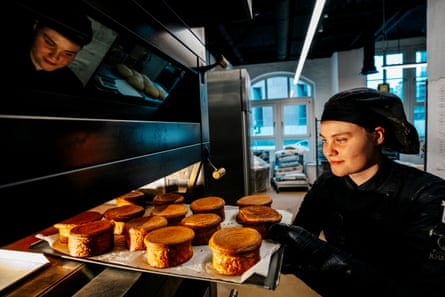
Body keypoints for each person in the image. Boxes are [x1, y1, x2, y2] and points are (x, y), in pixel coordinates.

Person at [269, 87, 445, 297]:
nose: (328, 151)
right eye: (325, 139)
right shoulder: (326, 185)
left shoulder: (427, 193)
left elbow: (418, 289)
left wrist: (318, 253)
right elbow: (295, 251)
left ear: (378, 136)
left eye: (340, 139)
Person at [14, 1, 93, 94]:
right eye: (50, 43)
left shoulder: (72, 87)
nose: (54, 57)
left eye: (68, 53)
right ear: (36, 27)